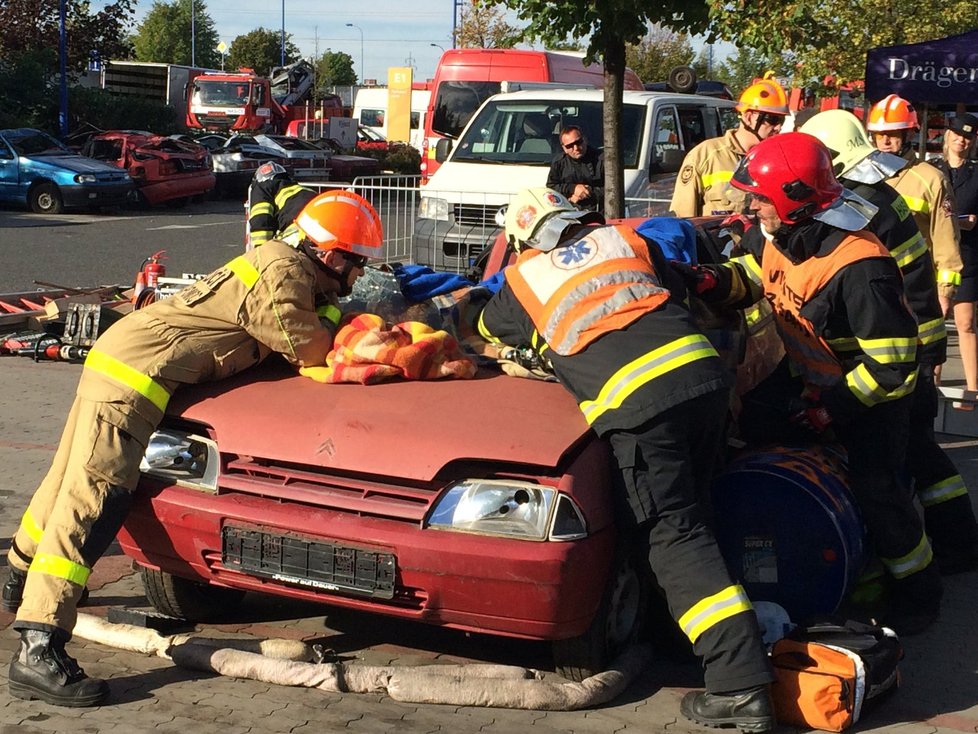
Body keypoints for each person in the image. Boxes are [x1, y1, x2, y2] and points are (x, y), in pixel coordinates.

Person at [0, 190, 383, 707]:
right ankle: (38, 646)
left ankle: (20, 575)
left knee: (67, 480)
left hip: (122, 363)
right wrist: (360, 326)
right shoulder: (286, 273)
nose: (358, 277)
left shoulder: (281, 263)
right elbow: (307, 347)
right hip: (133, 379)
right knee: (94, 502)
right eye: (357, 265)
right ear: (333, 255)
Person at [477, 187, 776, 733]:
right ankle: (682, 640)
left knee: (675, 536)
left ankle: (740, 684)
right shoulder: (626, 239)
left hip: (642, 410)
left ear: (524, 241)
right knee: (693, 521)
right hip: (705, 382)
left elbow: (485, 328)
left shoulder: (523, 280)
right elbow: (686, 286)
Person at [686, 132, 943, 635]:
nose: (751, 205)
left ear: (793, 201)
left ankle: (918, 592)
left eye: (760, 197)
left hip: (870, 399)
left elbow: (893, 366)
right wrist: (710, 280)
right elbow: (759, 273)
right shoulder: (780, 233)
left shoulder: (861, 266)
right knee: (751, 429)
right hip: (811, 380)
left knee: (879, 492)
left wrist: (832, 410)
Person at [800, 110, 978, 574]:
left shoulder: (856, 205)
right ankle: (960, 543)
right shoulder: (880, 194)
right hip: (918, 339)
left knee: (884, 471)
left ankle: (918, 575)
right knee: (924, 452)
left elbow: (856, 281)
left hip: (897, 349)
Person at [866, 94, 963, 308]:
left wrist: (945, 292)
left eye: (892, 134)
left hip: (913, 286)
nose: (885, 141)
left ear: (909, 132)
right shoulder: (861, 174)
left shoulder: (931, 179)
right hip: (866, 283)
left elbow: (946, 239)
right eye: (879, 134)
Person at [669, 76, 788, 218]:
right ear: (748, 117)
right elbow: (683, 219)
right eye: (772, 119)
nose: (779, 127)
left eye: (781, 120)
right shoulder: (705, 155)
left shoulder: (776, 161)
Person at [933, 113, 978, 396]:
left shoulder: (976, 172)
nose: (961, 139)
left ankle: (973, 391)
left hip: (968, 255)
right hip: (937, 256)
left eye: (968, 136)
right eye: (957, 134)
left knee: (966, 322)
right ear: (947, 136)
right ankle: (930, 384)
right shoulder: (932, 170)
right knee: (936, 319)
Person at [245, 162, 317, 249]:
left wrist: (261, 250)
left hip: (300, 234)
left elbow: (261, 219)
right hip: (326, 229)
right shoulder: (304, 190)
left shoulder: (262, 188)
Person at [546, 126, 604, 213]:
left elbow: (612, 190)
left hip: (598, 213)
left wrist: (586, 193)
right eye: (570, 146)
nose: (576, 148)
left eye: (578, 142)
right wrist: (573, 189)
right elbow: (551, 187)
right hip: (567, 213)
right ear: (564, 148)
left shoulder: (602, 160)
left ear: (585, 140)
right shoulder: (559, 163)